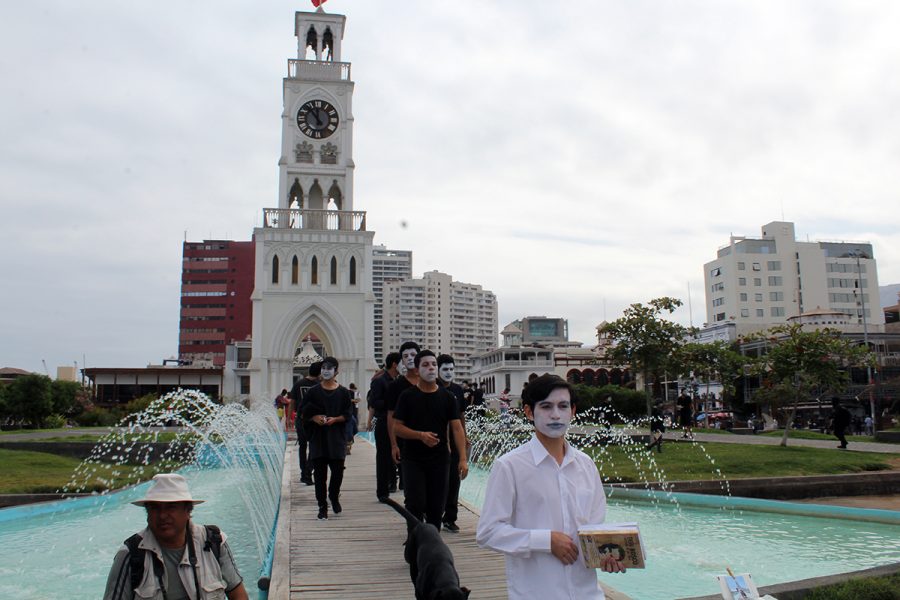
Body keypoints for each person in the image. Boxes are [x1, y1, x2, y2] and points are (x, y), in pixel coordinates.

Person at [476, 374, 624, 599]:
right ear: (528, 411)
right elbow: (488, 533)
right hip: (537, 592)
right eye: (546, 406)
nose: (556, 414)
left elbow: (593, 530)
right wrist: (546, 541)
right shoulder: (510, 466)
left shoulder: (585, 465)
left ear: (573, 411)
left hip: (587, 593)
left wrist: (607, 556)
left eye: (563, 406)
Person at [103, 473, 249, 600]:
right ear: (147, 513)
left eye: (171, 507)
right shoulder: (130, 554)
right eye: (155, 508)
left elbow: (238, 594)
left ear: (188, 511)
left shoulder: (214, 542)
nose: (162, 516)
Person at [392, 350, 468, 529]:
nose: (431, 368)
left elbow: (457, 428)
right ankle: (414, 541)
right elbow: (397, 427)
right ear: (417, 370)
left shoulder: (447, 397)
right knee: (415, 503)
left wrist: (463, 459)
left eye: (433, 364)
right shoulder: (407, 396)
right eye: (425, 365)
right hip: (413, 459)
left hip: (440, 459)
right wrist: (420, 436)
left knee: (436, 506)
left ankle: (434, 545)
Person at [302, 356, 353, 520]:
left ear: (336, 371)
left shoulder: (344, 392)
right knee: (319, 475)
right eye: (323, 367)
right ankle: (322, 505)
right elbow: (303, 412)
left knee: (338, 472)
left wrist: (335, 419)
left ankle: (334, 495)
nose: (326, 371)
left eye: (329, 368)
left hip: (337, 438)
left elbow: (348, 414)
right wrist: (314, 418)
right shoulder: (313, 392)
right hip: (319, 438)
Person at [437, 353, 468, 533]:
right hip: (438, 440)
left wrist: (465, 436)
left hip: (456, 440)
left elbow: (461, 415)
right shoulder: (434, 389)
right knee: (440, 479)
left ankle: (450, 517)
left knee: (454, 479)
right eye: (445, 369)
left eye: (451, 369)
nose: (448, 373)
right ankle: (433, 512)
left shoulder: (457, 390)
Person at [368, 352, 401, 501]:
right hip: (383, 421)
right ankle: (382, 490)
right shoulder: (380, 381)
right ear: (395, 364)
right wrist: (391, 404)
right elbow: (374, 402)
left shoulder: (399, 381)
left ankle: (394, 483)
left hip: (398, 423)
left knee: (397, 453)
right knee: (383, 456)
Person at [387, 341, 422, 481]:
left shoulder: (431, 383)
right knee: (410, 484)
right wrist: (394, 445)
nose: (410, 358)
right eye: (405, 356)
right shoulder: (396, 386)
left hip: (430, 441)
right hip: (405, 442)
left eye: (413, 355)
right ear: (401, 360)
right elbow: (391, 416)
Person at [290, 361, 322, 486]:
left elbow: (292, 401)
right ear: (319, 373)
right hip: (314, 420)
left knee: (302, 446)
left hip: (301, 419)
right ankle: (308, 471)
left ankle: (304, 472)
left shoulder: (299, 383)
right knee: (314, 446)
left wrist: (289, 418)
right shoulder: (320, 385)